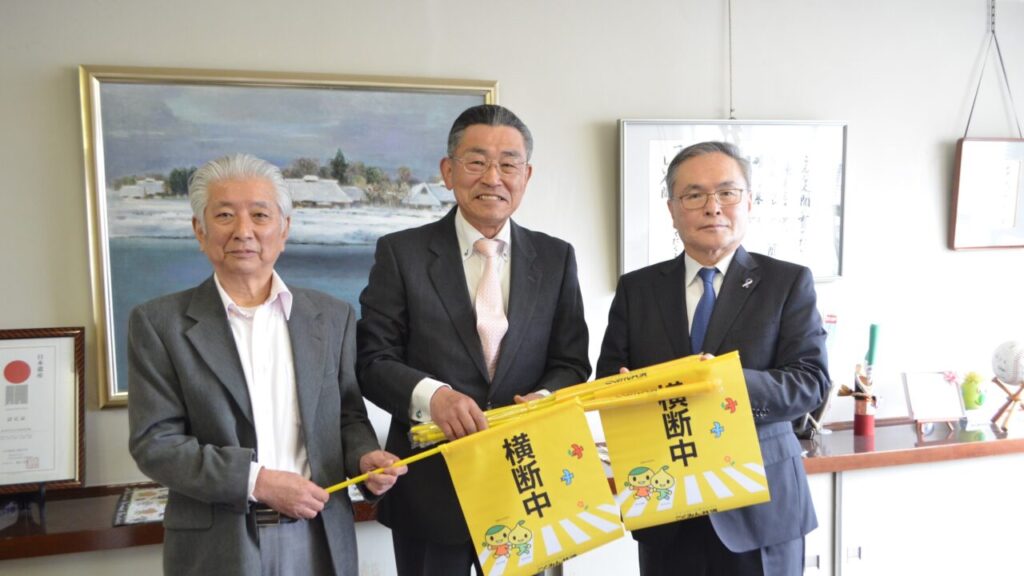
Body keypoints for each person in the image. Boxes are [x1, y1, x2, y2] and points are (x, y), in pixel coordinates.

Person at [128, 153, 406, 576]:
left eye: (260, 215)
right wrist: (257, 481)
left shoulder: (332, 316)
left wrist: (364, 458)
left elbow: (347, 416)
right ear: (200, 231)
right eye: (225, 215)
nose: (244, 231)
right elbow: (156, 444)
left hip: (320, 536)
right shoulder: (159, 323)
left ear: (284, 229)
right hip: (218, 545)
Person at [357, 104, 591, 575]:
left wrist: (543, 400)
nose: (493, 177)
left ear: (526, 175)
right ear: (448, 171)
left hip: (528, 485)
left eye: (508, 164)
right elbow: (372, 360)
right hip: (430, 489)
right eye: (477, 161)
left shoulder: (556, 258)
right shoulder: (401, 253)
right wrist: (433, 397)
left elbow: (572, 362)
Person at [596, 141, 830, 576]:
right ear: (672, 209)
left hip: (761, 509)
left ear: (749, 202)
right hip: (666, 507)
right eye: (694, 195)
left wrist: (723, 382)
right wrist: (625, 391)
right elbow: (609, 379)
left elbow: (811, 382)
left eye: (727, 192)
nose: (712, 207)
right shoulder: (637, 289)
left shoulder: (787, 282)